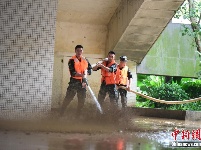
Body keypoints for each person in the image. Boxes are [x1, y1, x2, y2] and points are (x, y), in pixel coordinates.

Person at [60, 45, 92, 117]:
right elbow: (73, 73)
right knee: (68, 98)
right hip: (74, 82)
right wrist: (82, 75)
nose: (79, 52)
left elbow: (90, 69)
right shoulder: (71, 60)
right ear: (75, 51)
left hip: (83, 83)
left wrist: (86, 73)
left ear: (82, 51)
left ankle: (77, 116)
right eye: (78, 50)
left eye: (81, 50)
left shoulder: (85, 60)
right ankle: (61, 113)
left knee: (81, 100)